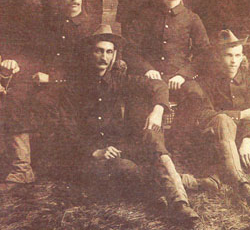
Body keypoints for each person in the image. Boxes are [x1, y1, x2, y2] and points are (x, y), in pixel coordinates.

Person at [57, 25, 203, 229]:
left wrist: (158, 110)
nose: (103, 57)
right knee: (127, 169)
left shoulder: (120, 80)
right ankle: (184, 182)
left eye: (109, 52)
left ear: (115, 54)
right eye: (99, 50)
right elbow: (68, 132)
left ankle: (180, 203)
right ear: (90, 52)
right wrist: (96, 151)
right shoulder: (75, 86)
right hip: (89, 157)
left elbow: (158, 86)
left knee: (152, 139)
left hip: (119, 147)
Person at [0, 0, 96, 192]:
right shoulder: (50, 23)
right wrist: (15, 62)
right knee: (14, 95)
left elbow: (90, 71)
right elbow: (34, 54)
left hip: (75, 89)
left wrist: (52, 78)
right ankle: (22, 169)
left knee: (44, 104)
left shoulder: (90, 28)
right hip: (44, 84)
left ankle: (46, 164)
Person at [182, 30, 250, 206]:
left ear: (242, 57)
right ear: (219, 57)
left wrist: (248, 140)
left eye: (237, 55)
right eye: (228, 55)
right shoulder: (205, 82)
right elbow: (204, 114)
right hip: (212, 141)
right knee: (223, 120)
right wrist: (239, 115)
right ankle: (244, 186)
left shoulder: (248, 80)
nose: (233, 61)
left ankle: (215, 179)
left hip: (239, 140)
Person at [123, 0, 210, 134]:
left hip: (177, 78)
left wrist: (183, 75)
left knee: (196, 96)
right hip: (150, 76)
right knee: (136, 101)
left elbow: (204, 54)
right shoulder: (146, 15)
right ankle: (144, 147)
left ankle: (177, 143)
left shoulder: (192, 19)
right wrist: (146, 69)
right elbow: (129, 48)